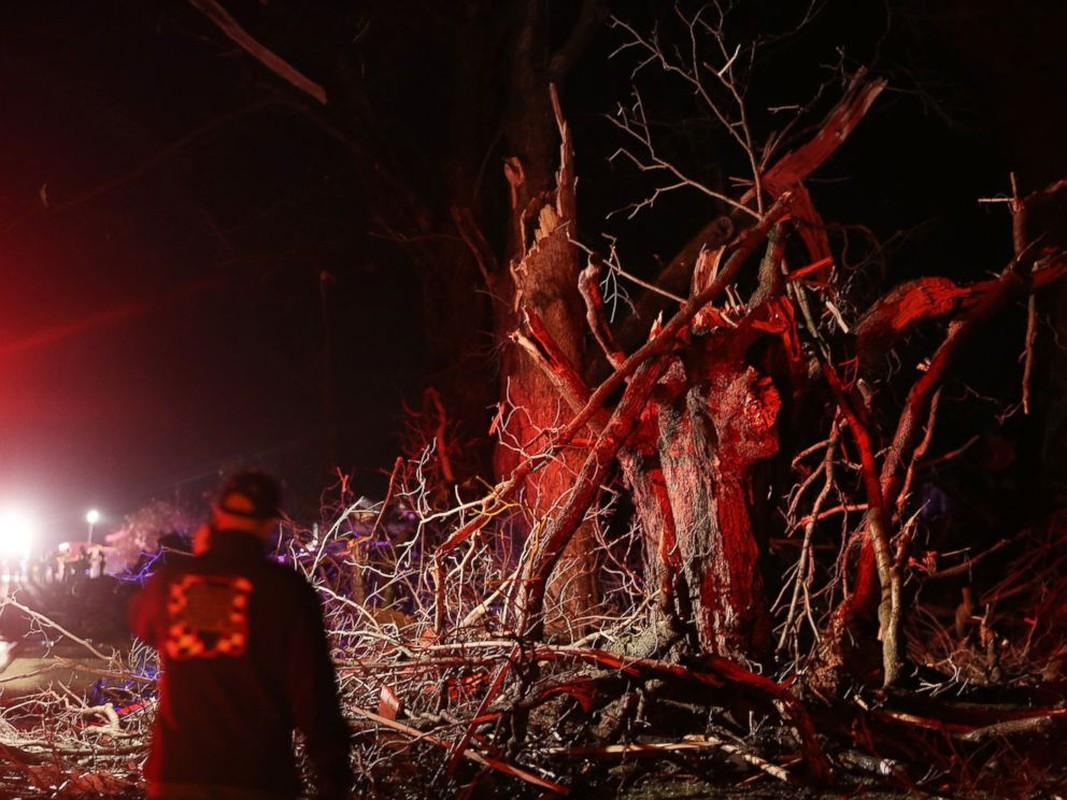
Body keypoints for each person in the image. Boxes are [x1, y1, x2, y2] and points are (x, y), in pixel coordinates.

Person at [129, 471, 353, 800]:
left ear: (217, 515)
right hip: (259, 777)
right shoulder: (287, 590)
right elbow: (314, 692)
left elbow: (143, 625)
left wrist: (205, 569)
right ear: (268, 524)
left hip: (178, 775)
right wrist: (332, 774)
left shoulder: (171, 582)